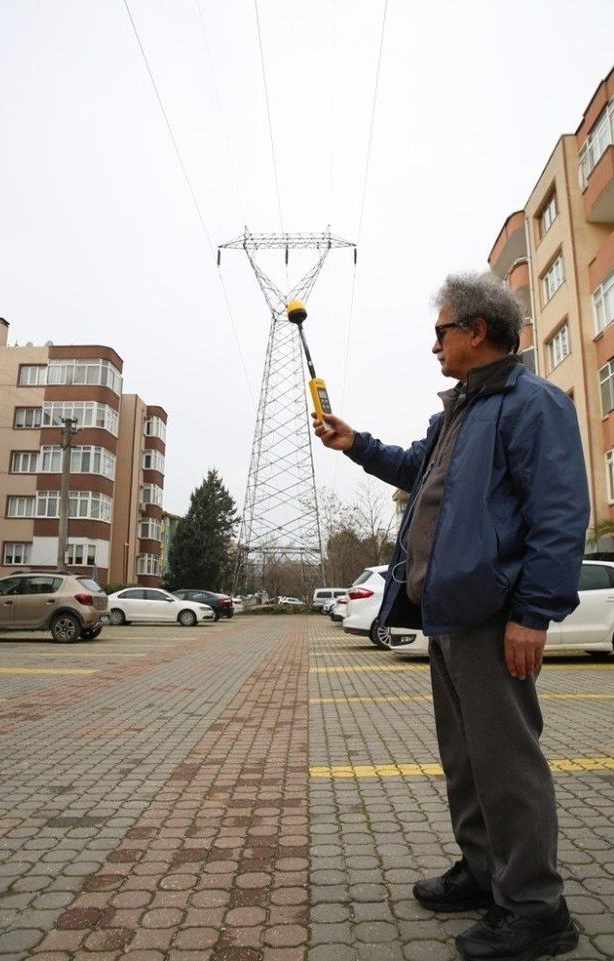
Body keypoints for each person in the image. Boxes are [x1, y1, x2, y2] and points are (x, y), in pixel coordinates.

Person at [313, 272, 589, 961]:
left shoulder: (535, 404)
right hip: (448, 614)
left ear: (476, 330)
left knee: (508, 764)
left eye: (440, 330)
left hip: (497, 617)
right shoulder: (458, 413)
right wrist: (355, 441)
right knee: (466, 761)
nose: (432, 342)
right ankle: (485, 870)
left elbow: (559, 517)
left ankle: (536, 908)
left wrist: (534, 613)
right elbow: (415, 468)